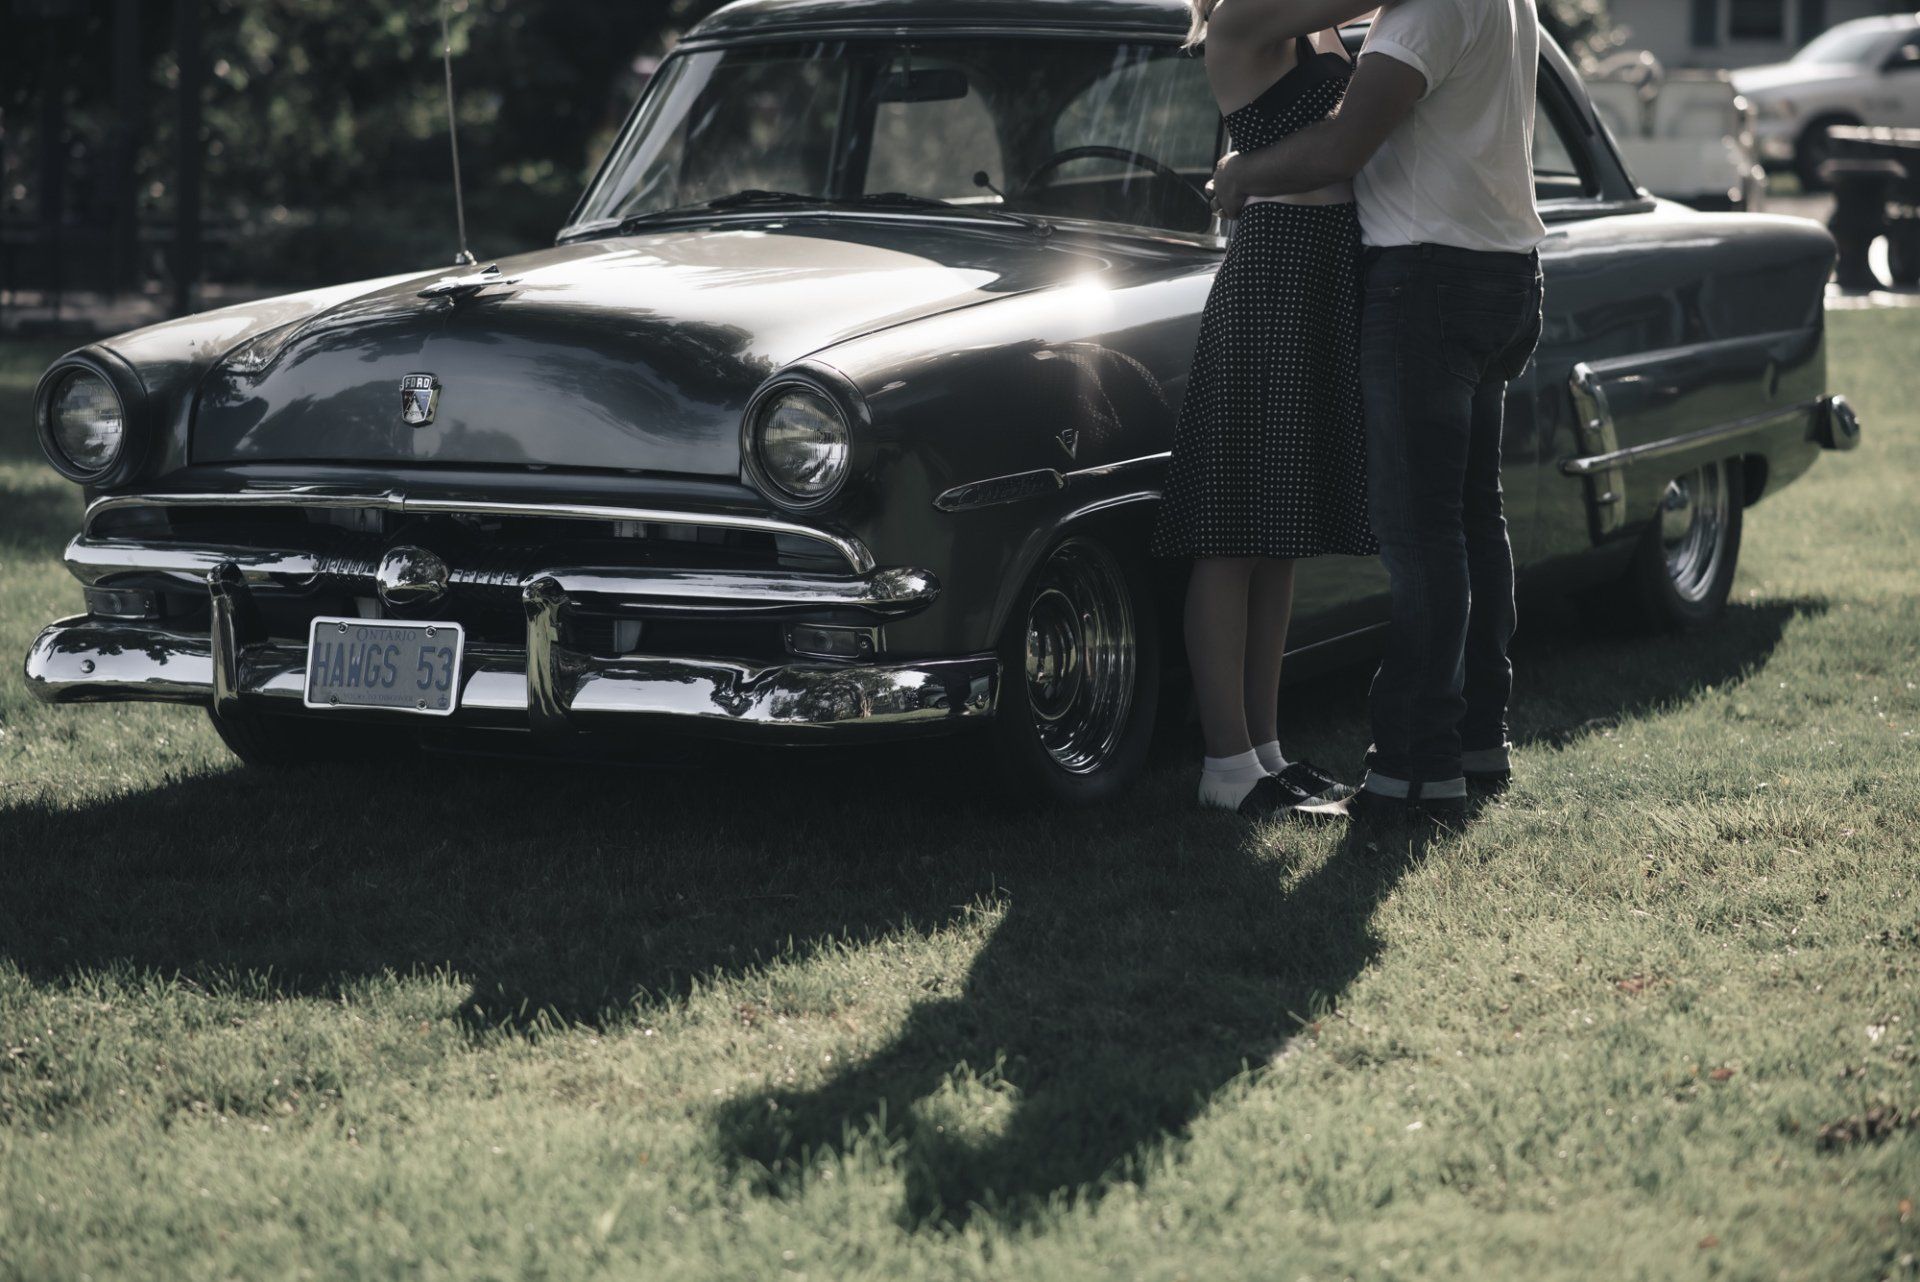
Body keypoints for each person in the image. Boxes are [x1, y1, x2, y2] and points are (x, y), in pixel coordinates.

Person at [1209, 0, 1547, 826]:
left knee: (1427, 535)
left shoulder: (1426, 10)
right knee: (1471, 523)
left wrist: (1239, 175)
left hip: (1432, 278)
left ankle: (1413, 769)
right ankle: (1473, 740)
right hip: (1502, 268)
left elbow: (1344, 145)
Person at [1153, 0, 1391, 818]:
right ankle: (1225, 763)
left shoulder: (1313, 22)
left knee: (1276, 535)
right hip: (1277, 267)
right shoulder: (1239, 18)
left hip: (1325, 265)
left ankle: (1266, 753)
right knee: (1231, 532)